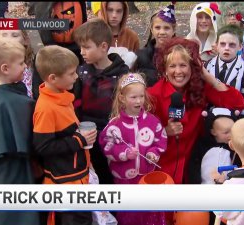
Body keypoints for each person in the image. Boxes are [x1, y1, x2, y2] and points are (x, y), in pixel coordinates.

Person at [148, 37, 244, 184]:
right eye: (172, 66)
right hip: (163, 169)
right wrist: (163, 131)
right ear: (165, 69)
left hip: (193, 168)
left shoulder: (199, 88)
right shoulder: (153, 95)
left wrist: (207, 76)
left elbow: (238, 104)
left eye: (183, 65)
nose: (178, 71)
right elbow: (141, 135)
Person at [0, 35, 40, 225]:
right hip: (17, 172)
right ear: (5, 68)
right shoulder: (16, 104)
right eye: (21, 63)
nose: (24, 67)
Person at [33, 45, 97, 225]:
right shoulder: (46, 108)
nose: (76, 76)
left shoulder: (62, 96)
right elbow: (43, 147)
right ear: (53, 78)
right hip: (65, 184)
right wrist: (79, 140)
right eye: (71, 74)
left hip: (78, 178)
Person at [99, 73, 167, 225]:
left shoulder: (152, 121)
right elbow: (107, 146)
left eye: (141, 96)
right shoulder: (115, 125)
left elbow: (160, 139)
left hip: (147, 178)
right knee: (130, 214)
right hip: (125, 180)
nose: (138, 101)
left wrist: (153, 153)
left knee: (149, 213)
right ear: (122, 98)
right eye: (133, 97)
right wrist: (124, 153)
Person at [73, 18, 129, 185]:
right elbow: (75, 101)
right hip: (87, 133)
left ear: (103, 47)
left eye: (87, 47)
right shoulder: (81, 72)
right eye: (81, 47)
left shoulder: (121, 74)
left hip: (112, 135)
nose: (82, 51)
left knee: (111, 176)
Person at [205, 24, 244, 118]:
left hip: (234, 121)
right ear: (216, 45)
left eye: (232, 45)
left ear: (240, 46)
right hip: (208, 119)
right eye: (222, 44)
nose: (227, 48)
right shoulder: (207, 66)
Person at [188, 107, 240, 185]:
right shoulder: (202, 146)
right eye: (226, 132)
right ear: (213, 131)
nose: (230, 135)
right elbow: (194, 166)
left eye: (233, 131)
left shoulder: (235, 148)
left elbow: (239, 166)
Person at [134, 2, 177, 87]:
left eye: (166, 28)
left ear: (174, 30)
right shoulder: (141, 55)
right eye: (157, 28)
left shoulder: (181, 54)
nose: (162, 32)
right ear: (151, 29)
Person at [0, 30, 35, 98]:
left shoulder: (35, 64)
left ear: (26, 40)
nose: (9, 39)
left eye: (15, 35)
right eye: (4, 35)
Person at [98, 2, 140, 68]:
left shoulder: (132, 37)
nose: (114, 15)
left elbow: (136, 66)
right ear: (104, 10)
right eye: (110, 10)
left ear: (124, 13)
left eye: (119, 11)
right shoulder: (95, 36)